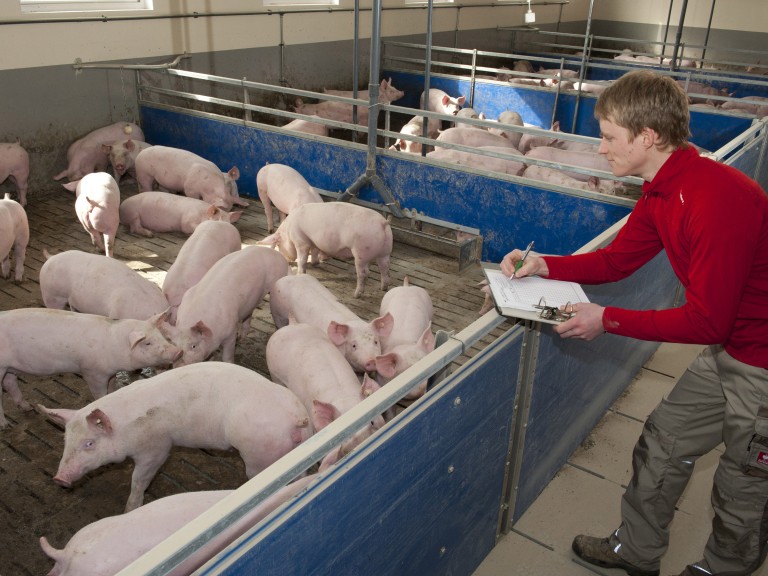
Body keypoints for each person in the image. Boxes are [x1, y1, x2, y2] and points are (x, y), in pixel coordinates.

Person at [500, 69, 768, 576]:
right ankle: (637, 552)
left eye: (607, 136)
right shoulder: (663, 188)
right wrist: (546, 265)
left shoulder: (712, 198)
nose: (600, 150)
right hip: (730, 348)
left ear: (647, 137)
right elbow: (617, 261)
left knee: (744, 483)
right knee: (664, 439)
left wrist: (607, 319)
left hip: (762, 359)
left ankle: (723, 570)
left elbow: (707, 321)